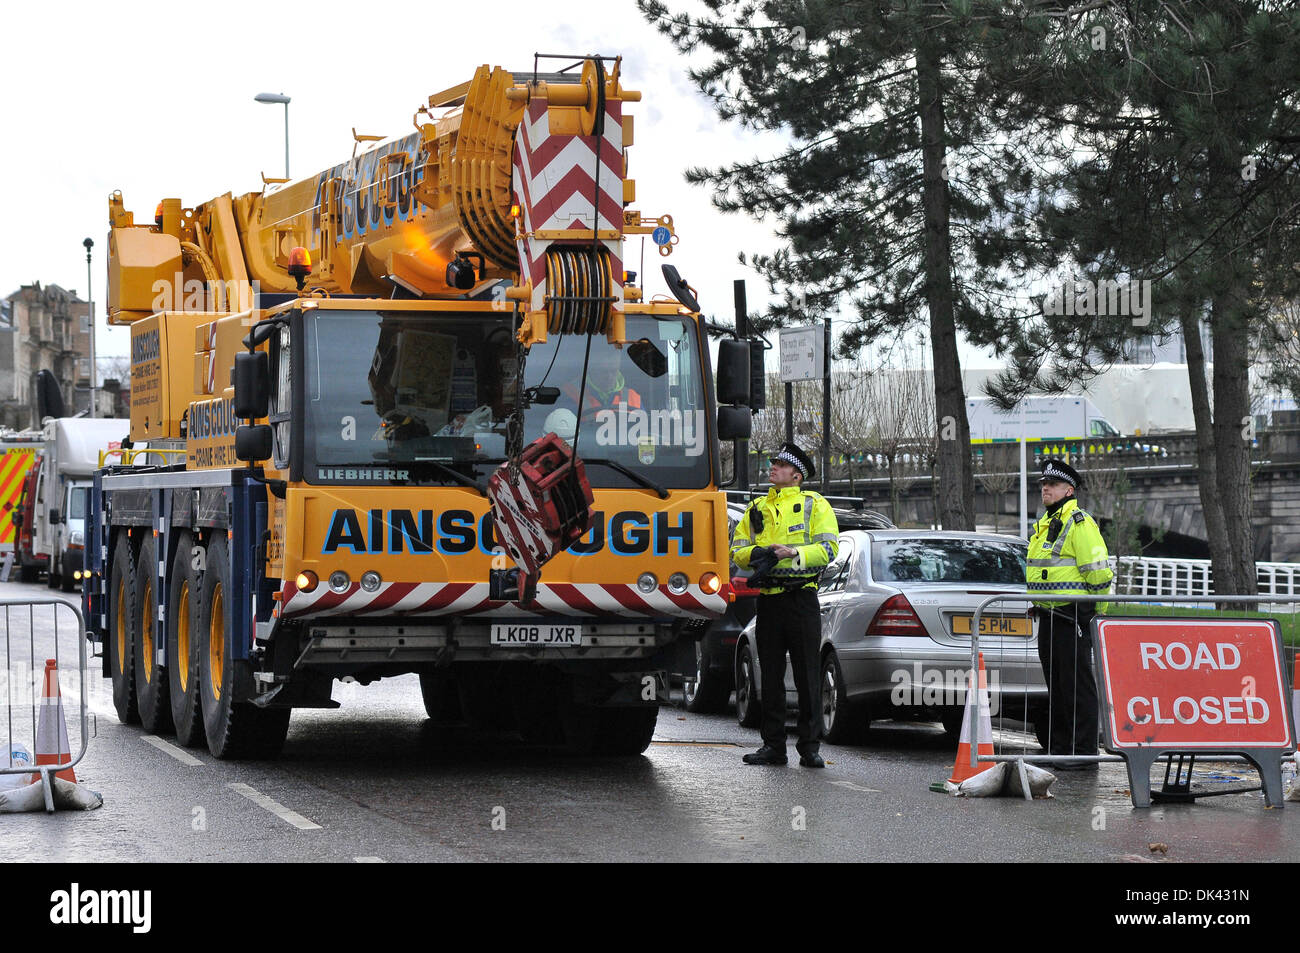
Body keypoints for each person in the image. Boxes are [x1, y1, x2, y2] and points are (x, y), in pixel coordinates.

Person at [730, 442, 839, 767]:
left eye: (779, 464)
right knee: (772, 676)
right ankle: (773, 747)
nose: (772, 467)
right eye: (773, 462)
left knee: (807, 674)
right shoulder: (756, 509)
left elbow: (829, 549)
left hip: (802, 599)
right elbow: (737, 549)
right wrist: (759, 555)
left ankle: (810, 747)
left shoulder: (814, 504)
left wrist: (794, 554)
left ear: (795, 474)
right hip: (769, 602)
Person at [1027, 458, 1113, 770]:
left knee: (1077, 687)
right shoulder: (1046, 524)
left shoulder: (1079, 523)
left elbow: (1100, 575)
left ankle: (1083, 751)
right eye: (1043, 484)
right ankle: (1062, 749)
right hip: (1049, 616)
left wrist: (1091, 615)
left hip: (1074, 616)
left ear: (1069, 490)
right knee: (1058, 687)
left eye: (1052, 484)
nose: (1045, 488)